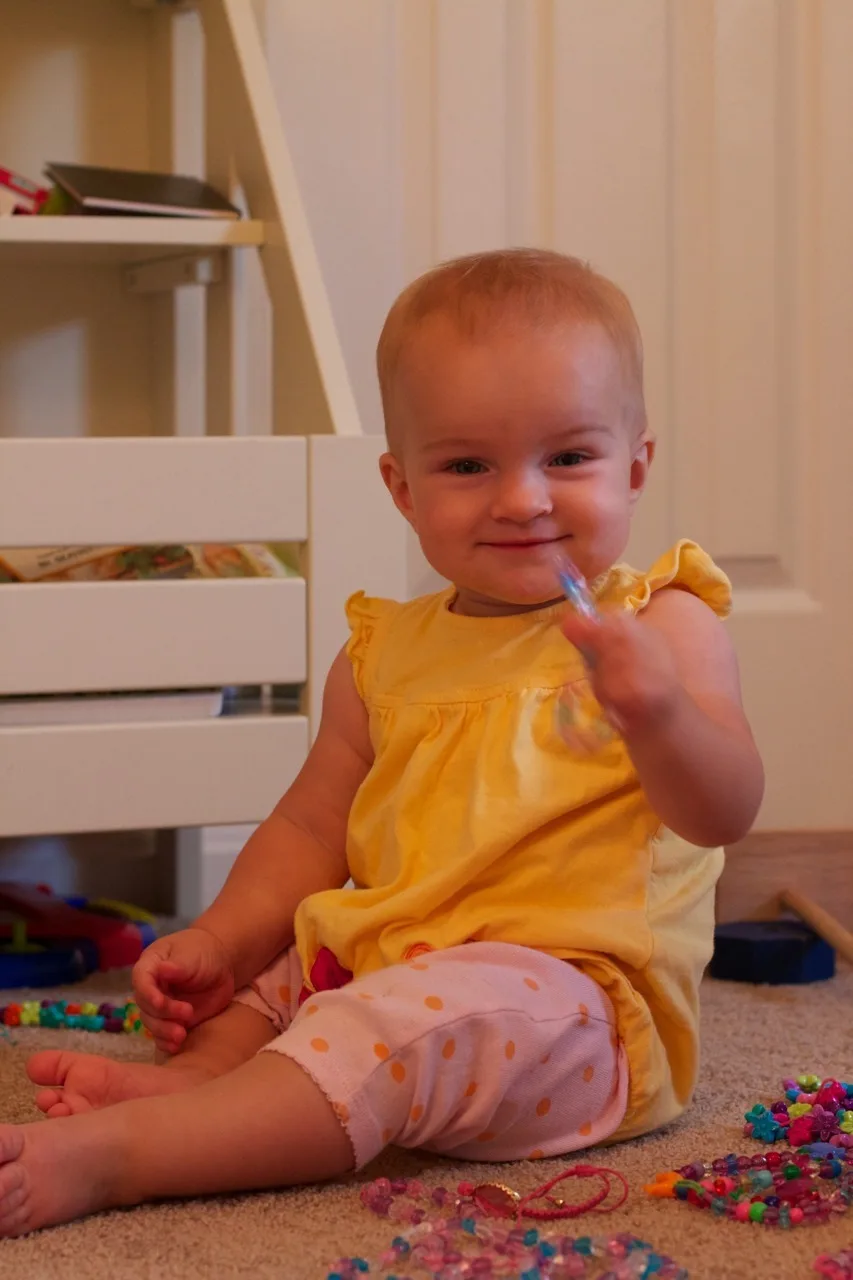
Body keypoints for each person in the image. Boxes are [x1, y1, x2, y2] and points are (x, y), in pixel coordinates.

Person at [0, 248, 764, 1236]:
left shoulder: (663, 625)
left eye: (567, 457)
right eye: (468, 465)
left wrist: (658, 712)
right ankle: (193, 1092)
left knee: (389, 1021)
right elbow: (311, 825)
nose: (523, 498)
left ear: (636, 464)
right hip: (390, 958)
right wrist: (221, 940)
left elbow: (724, 807)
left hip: (578, 1010)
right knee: (288, 973)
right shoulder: (382, 652)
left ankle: (133, 1156)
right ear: (403, 487)